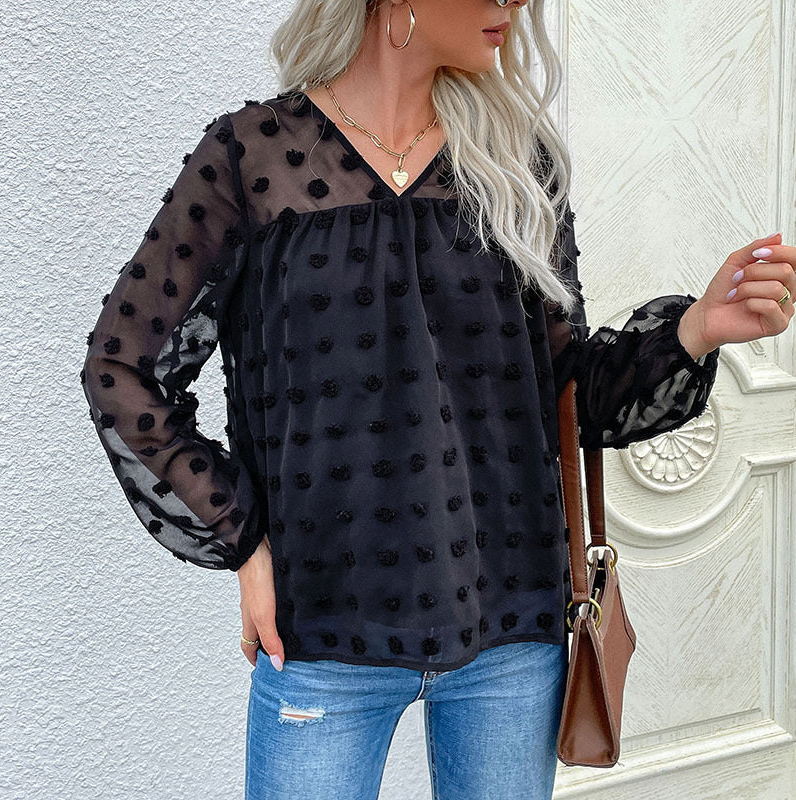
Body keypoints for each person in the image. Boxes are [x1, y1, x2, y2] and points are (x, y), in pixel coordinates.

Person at [80, 0, 795, 797]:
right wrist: (245, 544)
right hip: (321, 632)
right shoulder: (250, 158)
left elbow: (566, 391)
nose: (514, 4)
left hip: (510, 629)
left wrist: (697, 329)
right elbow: (121, 368)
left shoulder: (515, 163)